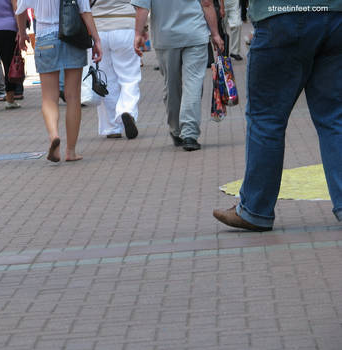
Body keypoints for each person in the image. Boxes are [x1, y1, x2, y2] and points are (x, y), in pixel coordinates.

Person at [213, 2, 342, 231]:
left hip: (281, 13)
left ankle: (255, 209)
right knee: (334, 117)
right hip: (335, 14)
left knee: (266, 118)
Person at [16, 0, 102, 162]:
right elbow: (85, 11)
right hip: (73, 38)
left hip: (45, 38)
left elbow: (20, 10)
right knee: (73, 97)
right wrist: (96, 39)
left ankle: (54, 135)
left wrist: (22, 33)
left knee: (49, 97)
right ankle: (71, 151)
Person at [132, 0, 224, 151]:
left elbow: (142, 8)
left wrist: (138, 34)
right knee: (193, 84)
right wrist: (215, 33)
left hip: (165, 37)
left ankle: (177, 130)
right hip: (195, 33)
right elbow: (207, 3)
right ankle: (190, 134)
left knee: (171, 85)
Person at [92, 0, 140, 140]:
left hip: (98, 27)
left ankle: (112, 126)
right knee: (129, 76)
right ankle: (127, 110)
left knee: (106, 80)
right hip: (126, 24)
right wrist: (143, 29)